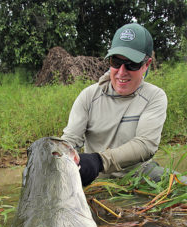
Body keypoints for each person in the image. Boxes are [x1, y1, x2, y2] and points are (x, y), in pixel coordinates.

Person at [61, 22, 168, 186]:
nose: (122, 72)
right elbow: (69, 140)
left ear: (146, 65)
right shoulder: (88, 96)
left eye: (132, 64)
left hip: (140, 174)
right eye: (116, 62)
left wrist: (99, 161)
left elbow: (145, 145)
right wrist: (64, 159)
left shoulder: (154, 96)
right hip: (97, 178)